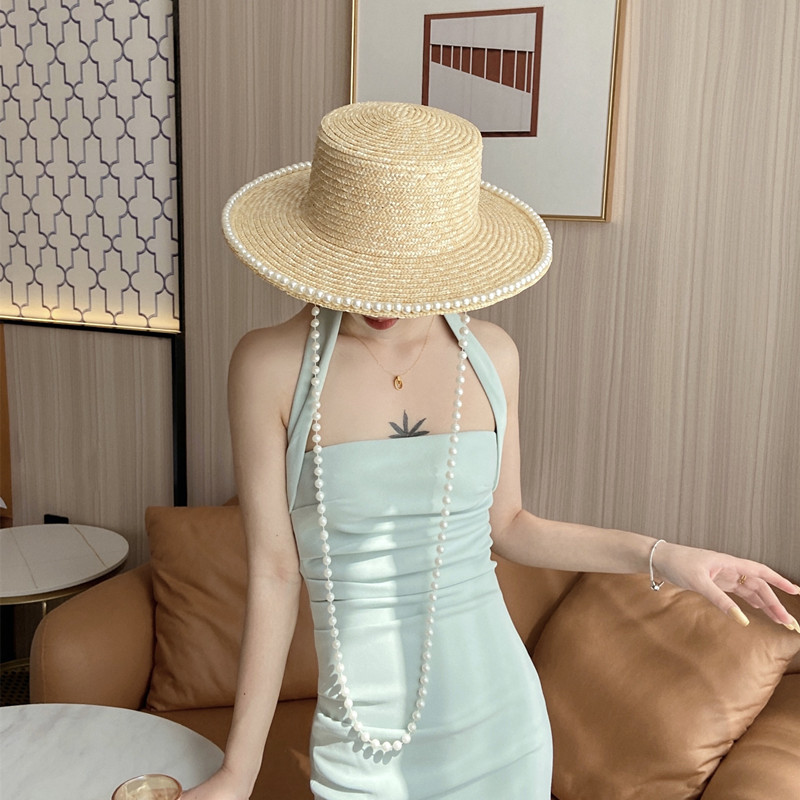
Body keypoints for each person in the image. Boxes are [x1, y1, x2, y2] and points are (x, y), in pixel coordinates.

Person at [183, 102, 799, 800]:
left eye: (409, 271)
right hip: (362, 739)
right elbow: (274, 573)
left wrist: (665, 557)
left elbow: (511, 527)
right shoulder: (268, 366)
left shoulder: (491, 356)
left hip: (502, 726)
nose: (383, 298)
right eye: (363, 266)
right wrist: (238, 770)